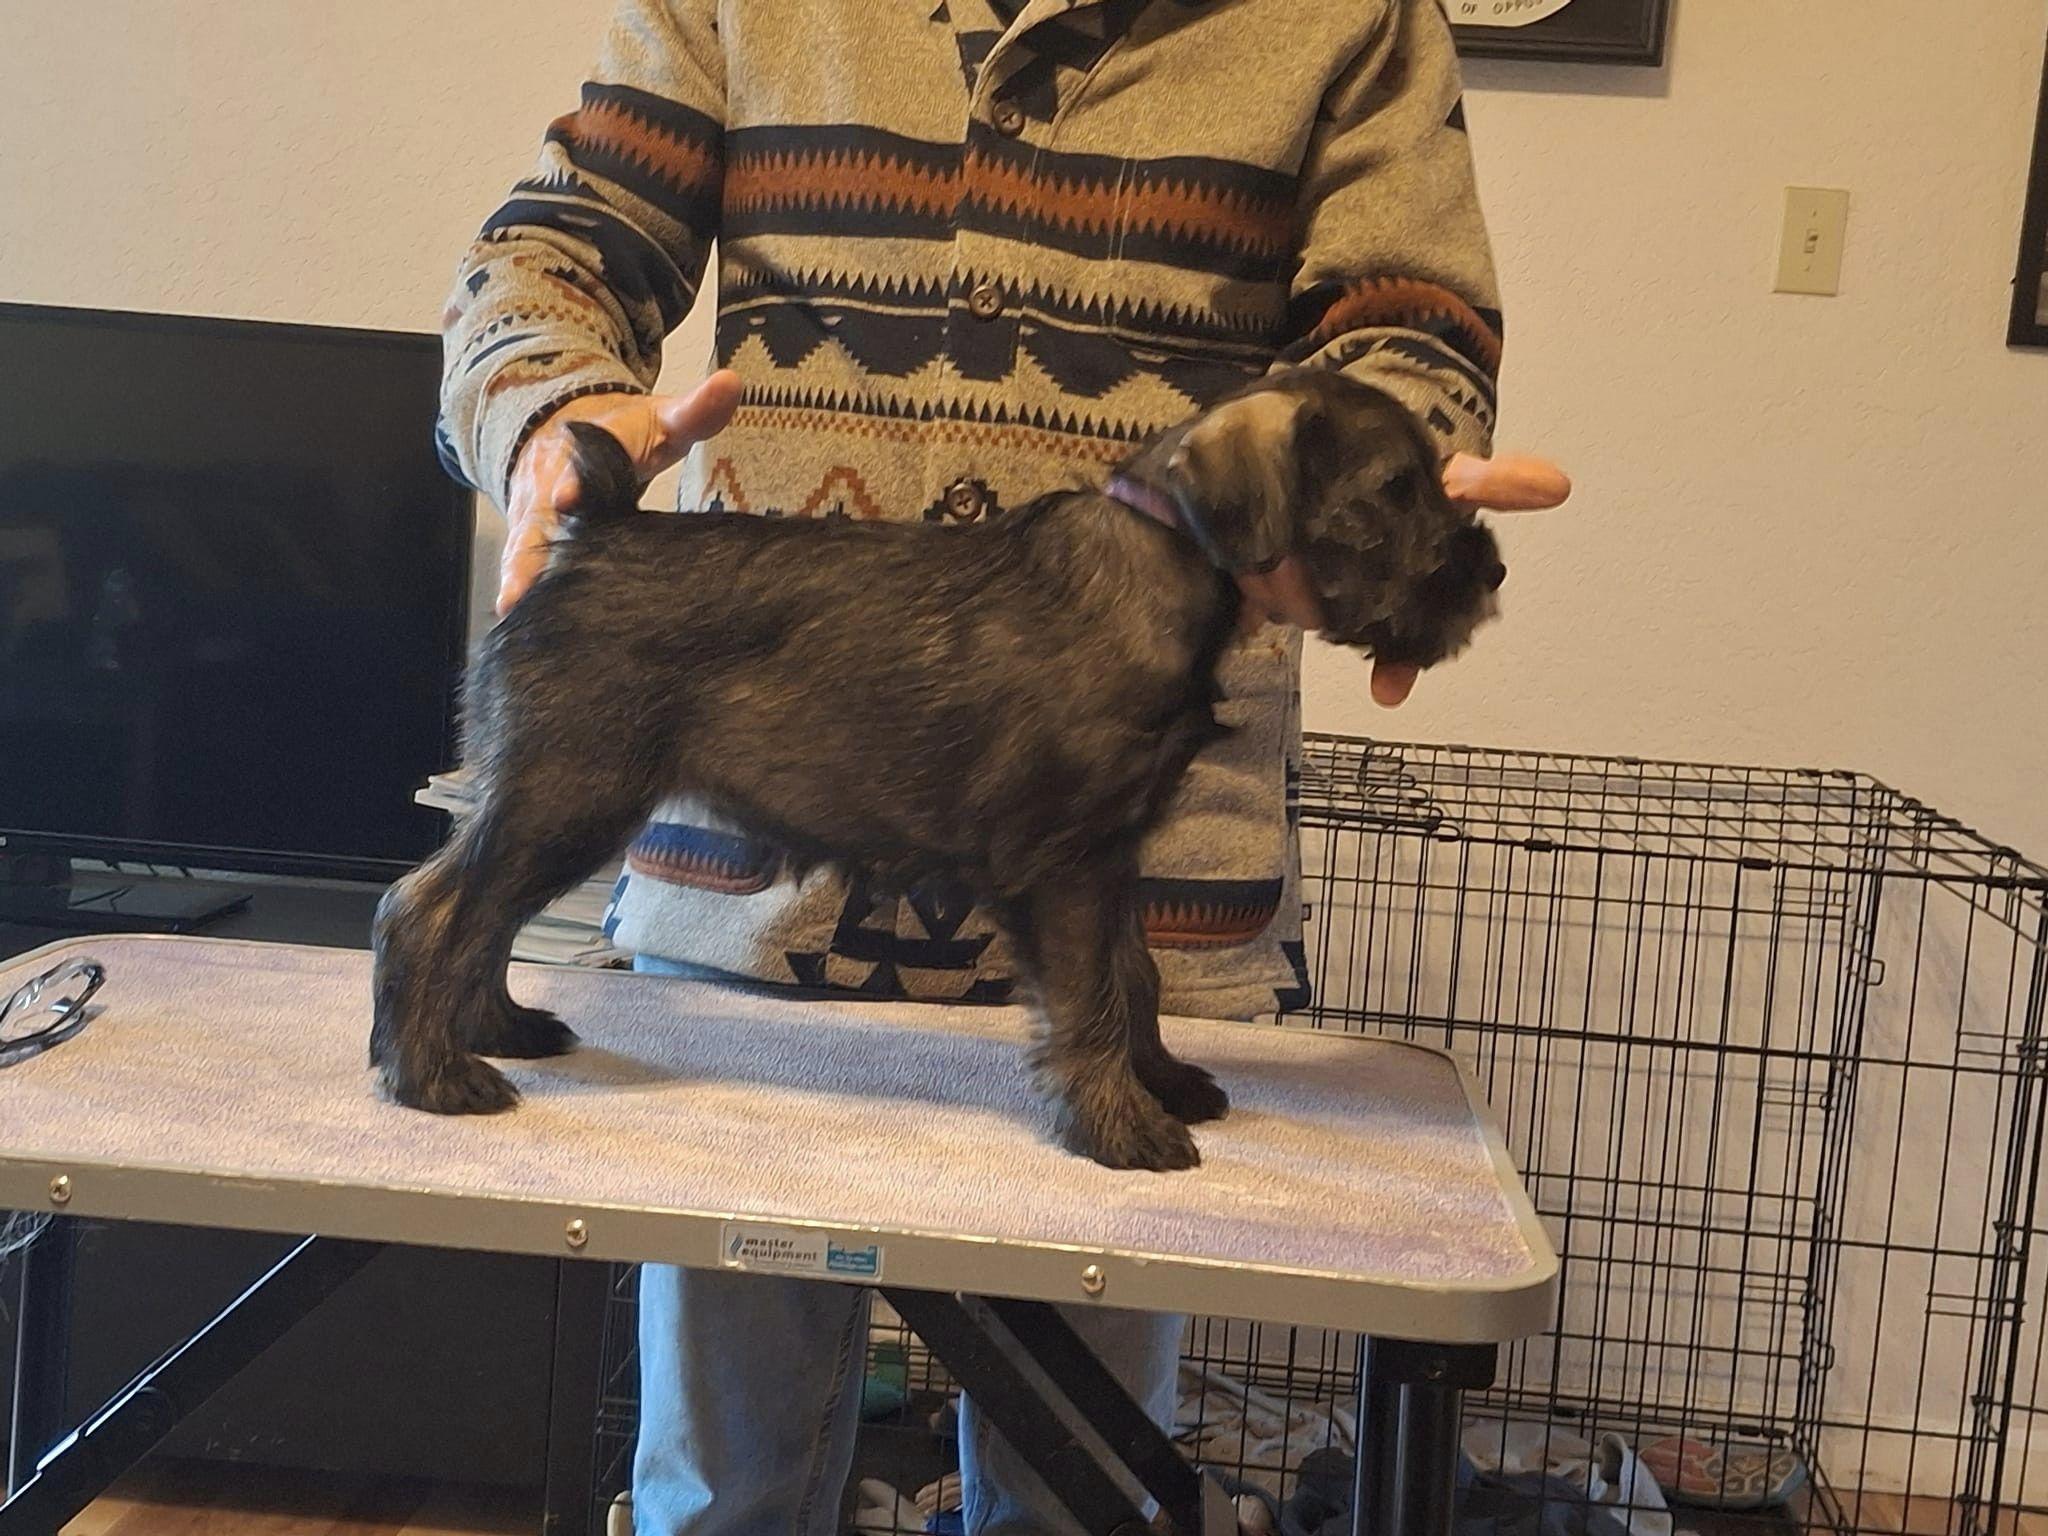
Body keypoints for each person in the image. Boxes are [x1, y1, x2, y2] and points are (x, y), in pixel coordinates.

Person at [437, 2, 1568, 1530]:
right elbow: (558, 242)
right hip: (753, 906)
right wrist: (552, 415)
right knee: (724, 1497)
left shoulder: (1348, 13)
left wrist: (1383, 474)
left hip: (1154, 899)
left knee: (1074, 1498)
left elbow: (1408, 315)